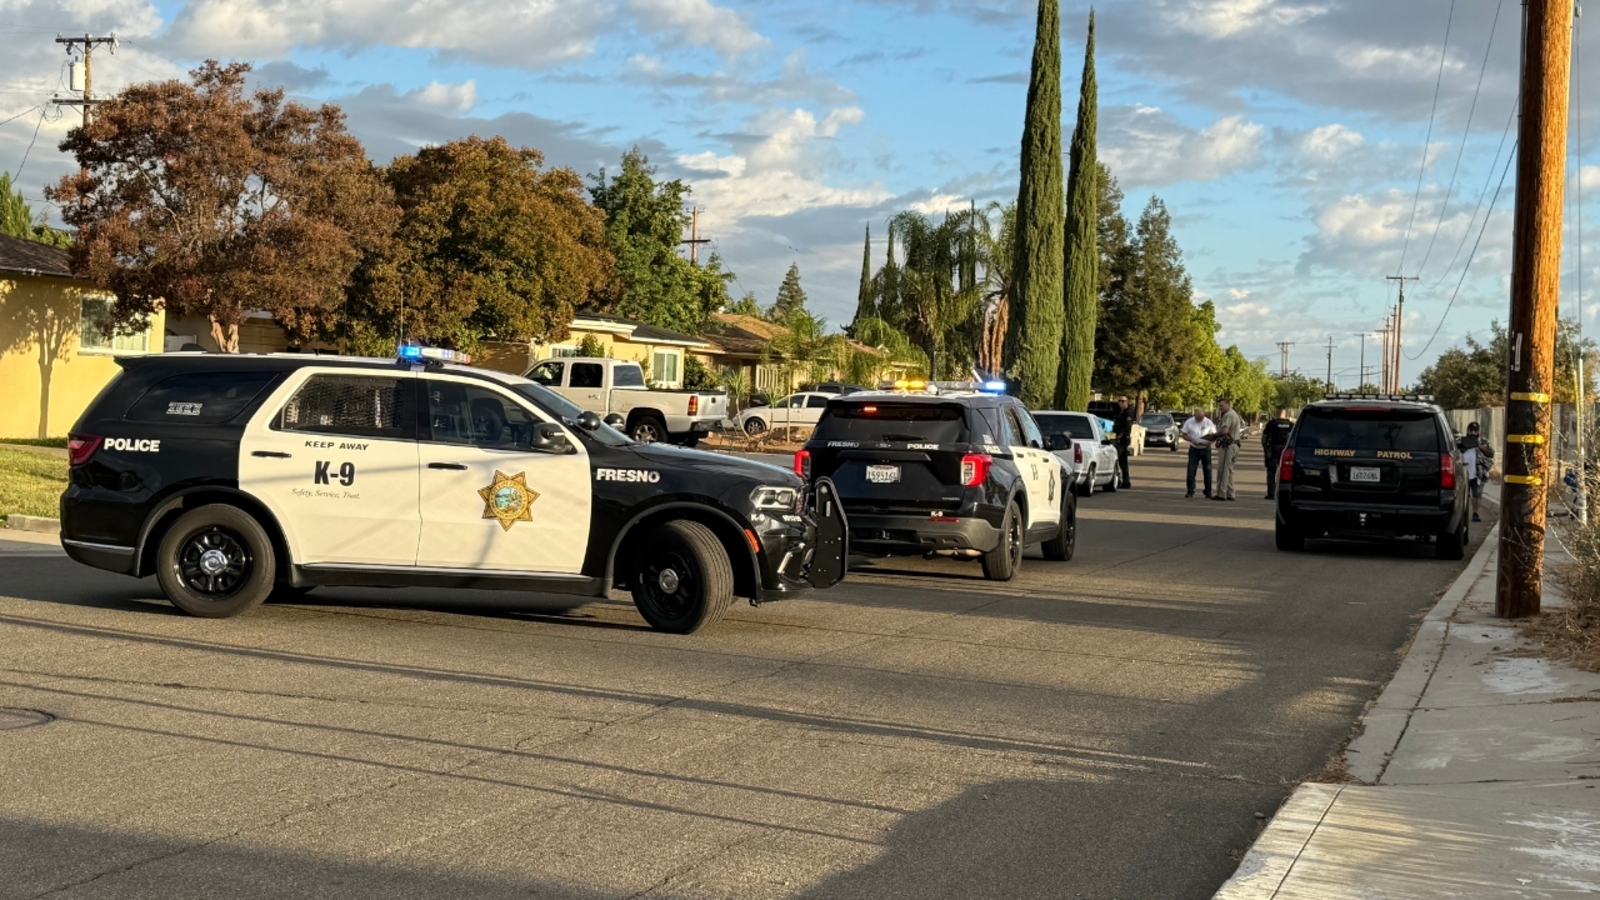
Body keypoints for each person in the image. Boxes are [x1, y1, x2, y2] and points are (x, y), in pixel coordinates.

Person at [1458, 421, 1495, 522]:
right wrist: (1465, 446)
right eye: (1471, 430)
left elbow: (1491, 454)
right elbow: (1455, 452)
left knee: (1477, 495)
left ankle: (1475, 513)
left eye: (1475, 430)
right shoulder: (1462, 441)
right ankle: (1462, 515)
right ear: (1468, 431)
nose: (1473, 432)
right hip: (1464, 473)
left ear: (1478, 431)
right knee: (1463, 496)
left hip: (1478, 474)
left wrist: (1480, 446)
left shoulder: (1483, 441)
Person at [1212, 397, 1245, 501]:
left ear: (1228, 404)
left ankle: (1221, 493)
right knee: (1229, 470)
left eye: (1222, 405)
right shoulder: (1234, 414)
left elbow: (1225, 430)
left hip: (1228, 445)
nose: (1220, 408)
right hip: (1235, 444)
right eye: (1219, 406)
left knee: (1223, 470)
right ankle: (1231, 493)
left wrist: (1215, 435)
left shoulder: (1228, 415)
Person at [1182, 406, 1217, 498]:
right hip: (1194, 449)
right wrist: (1192, 440)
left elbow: (1214, 435)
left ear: (1204, 415)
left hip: (1206, 449)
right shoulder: (1189, 422)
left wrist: (1210, 442)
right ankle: (1190, 491)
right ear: (1195, 415)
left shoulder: (1208, 422)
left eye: (1201, 418)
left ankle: (1208, 491)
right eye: (1197, 418)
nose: (1199, 420)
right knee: (1191, 470)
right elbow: (1184, 435)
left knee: (1207, 470)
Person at [1261, 407, 1294, 500]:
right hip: (1286, 450)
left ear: (1276, 413)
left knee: (1271, 472)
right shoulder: (1291, 425)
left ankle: (1271, 493)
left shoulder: (1271, 424)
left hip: (1273, 449)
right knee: (1287, 472)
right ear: (1285, 413)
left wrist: (1266, 448)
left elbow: (1265, 437)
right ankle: (1286, 493)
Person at [1112, 395, 1137, 489]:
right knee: (1123, 462)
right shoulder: (1121, 412)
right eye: (1119, 401)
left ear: (1127, 402)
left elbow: (1127, 426)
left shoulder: (1128, 412)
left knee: (1115, 460)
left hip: (1122, 440)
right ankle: (1125, 482)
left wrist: (1120, 435)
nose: (1121, 403)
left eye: (1123, 401)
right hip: (1120, 438)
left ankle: (1118, 480)